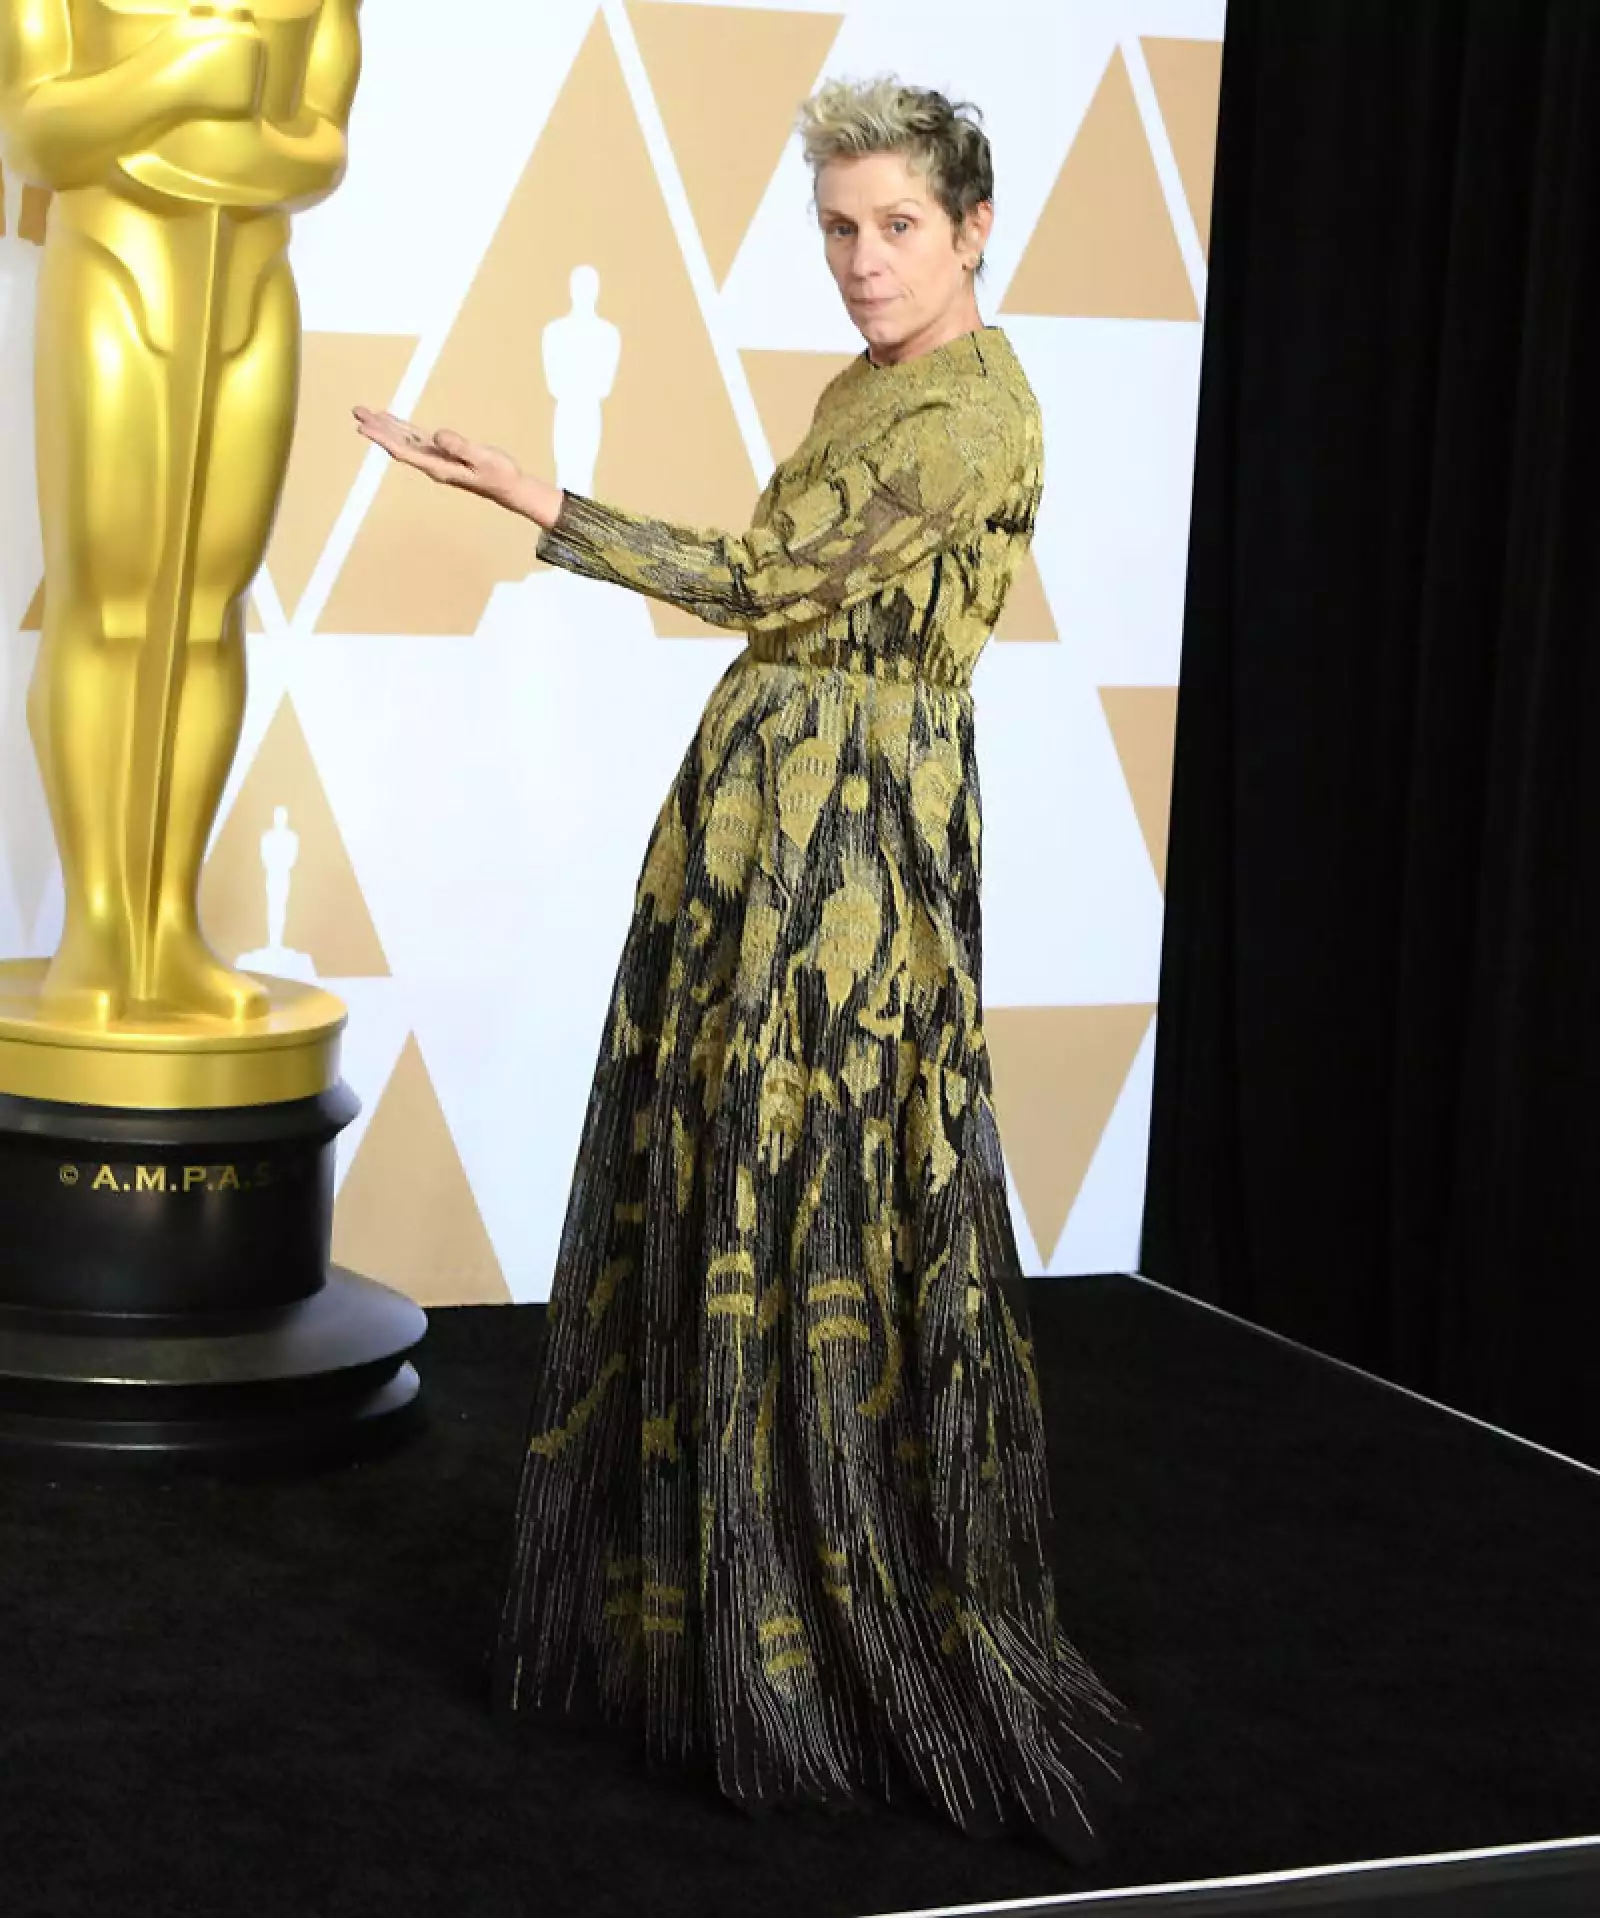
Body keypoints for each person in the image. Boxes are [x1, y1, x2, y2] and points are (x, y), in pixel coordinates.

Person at [355, 76, 1137, 1860]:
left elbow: (763, 578)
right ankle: (710, 1609)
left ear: (975, 228)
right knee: (723, 1175)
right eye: (839, 229)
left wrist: (535, 493)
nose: (863, 262)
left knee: (821, 1191)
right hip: (758, 809)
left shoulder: (975, 415)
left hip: (853, 840)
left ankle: (826, 1631)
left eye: (898, 227)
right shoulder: (872, 383)